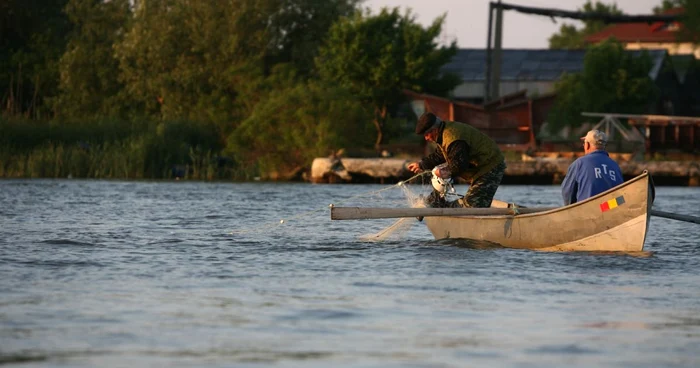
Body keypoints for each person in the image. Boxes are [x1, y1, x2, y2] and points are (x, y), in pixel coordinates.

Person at [407, 112, 506, 208]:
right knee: (439, 175)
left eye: (426, 134)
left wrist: (444, 172)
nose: (426, 138)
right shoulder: (444, 133)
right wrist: (421, 164)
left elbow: (459, 165)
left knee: (473, 207)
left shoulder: (453, 137)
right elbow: (439, 155)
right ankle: (434, 201)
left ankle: (443, 208)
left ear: (434, 130)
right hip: (478, 167)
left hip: (491, 166)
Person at [561, 129, 623, 205]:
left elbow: (567, 192)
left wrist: (571, 210)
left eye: (584, 143)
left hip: (588, 211)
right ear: (604, 146)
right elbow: (621, 197)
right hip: (610, 208)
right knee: (606, 207)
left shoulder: (579, 163)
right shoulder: (615, 165)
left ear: (587, 145)